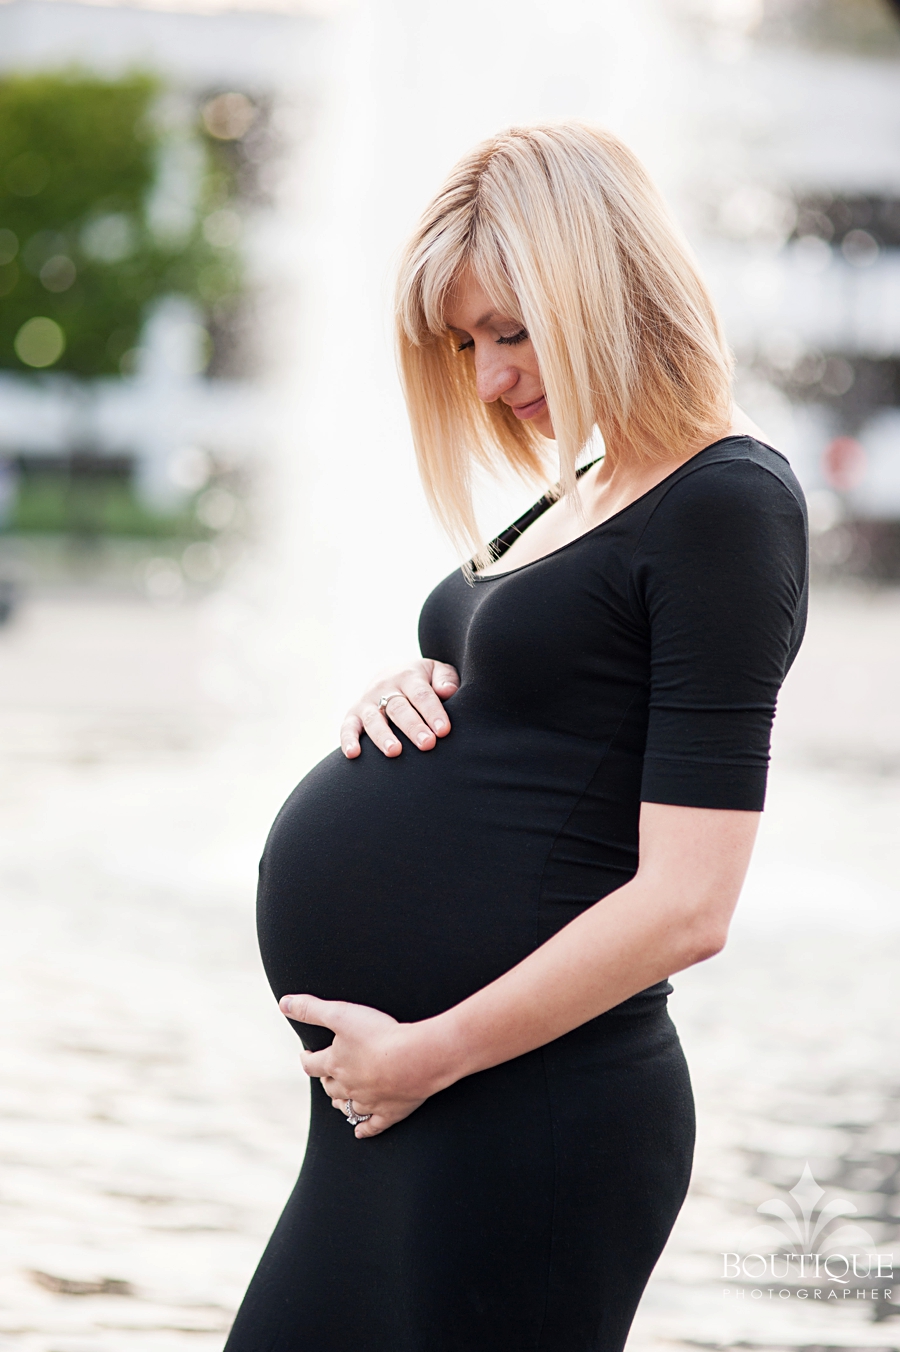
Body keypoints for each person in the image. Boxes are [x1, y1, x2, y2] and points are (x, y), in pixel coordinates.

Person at [224, 122, 808, 1352]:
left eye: (512, 330)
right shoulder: (580, 488)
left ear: (604, 287)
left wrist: (428, 1052)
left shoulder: (727, 504)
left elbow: (689, 903)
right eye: (464, 343)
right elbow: (550, 703)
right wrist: (418, 689)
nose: (487, 379)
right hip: (390, 1102)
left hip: (524, 1104)